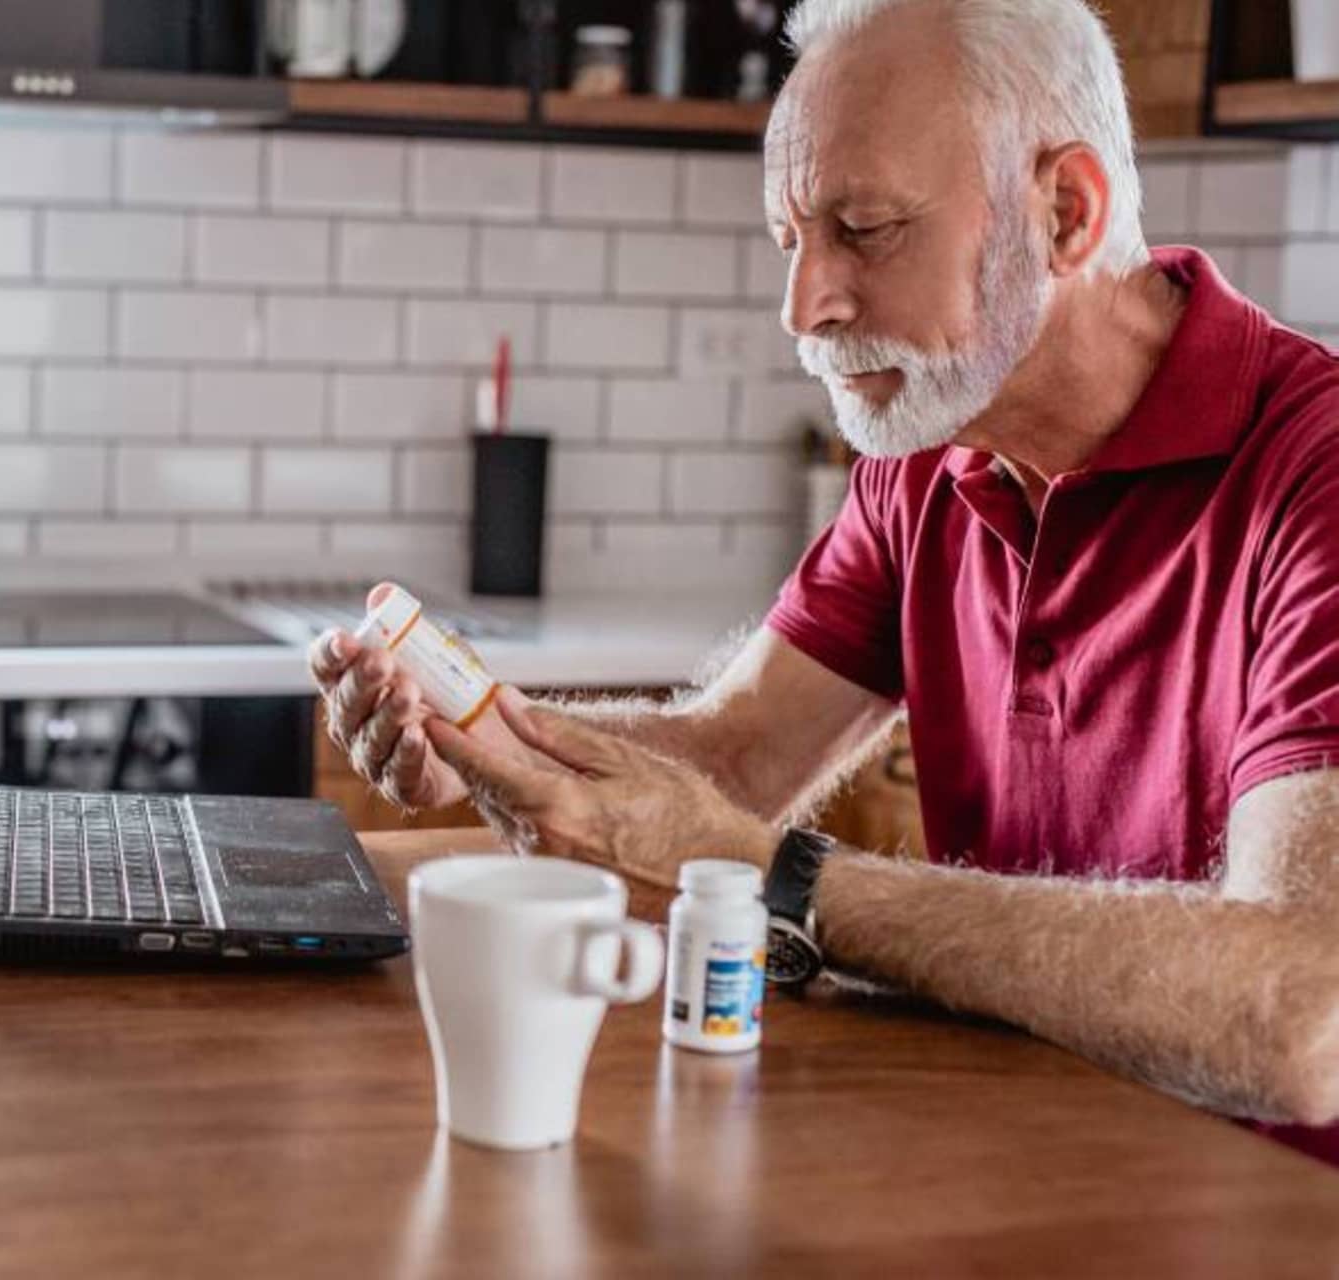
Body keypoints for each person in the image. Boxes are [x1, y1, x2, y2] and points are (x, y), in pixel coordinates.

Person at [310, 0, 1339, 1165]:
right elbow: (736, 757)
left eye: (864, 227)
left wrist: (787, 880)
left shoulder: (1314, 473)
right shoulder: (932, 455)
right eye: (790, 239)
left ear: (1065, 213)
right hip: (1020, 1165)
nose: (804, 309)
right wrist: (488, 734)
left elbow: (1307, 1013)